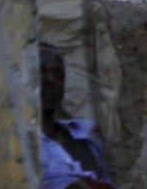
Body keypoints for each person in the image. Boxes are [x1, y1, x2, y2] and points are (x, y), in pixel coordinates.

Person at [41, 44, 115, 189]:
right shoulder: (20, 144)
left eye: (58, 74)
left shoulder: (86, 133)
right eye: (40, 72)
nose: (49, 81)